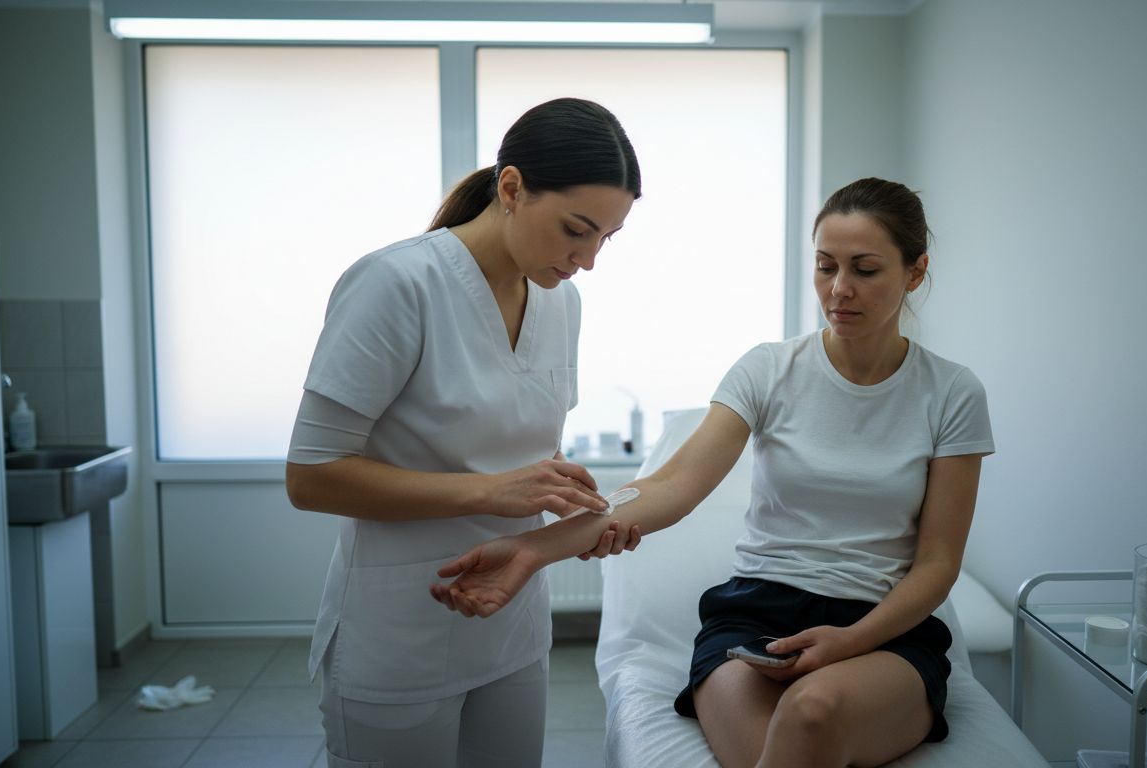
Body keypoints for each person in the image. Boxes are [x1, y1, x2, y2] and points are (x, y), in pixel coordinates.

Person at [431, 177, 995, 768]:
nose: (839, 290)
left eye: (866, 269)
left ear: (915, 271)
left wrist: (849, 643)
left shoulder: (950, 393)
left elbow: (937, 563)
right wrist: (531, 550)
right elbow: (673, 487)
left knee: (810, 713)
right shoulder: (770, 369)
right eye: (826, 266)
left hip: (880, 630)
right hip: (757, 617)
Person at [285, 97, 645, 768]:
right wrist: (489, 492)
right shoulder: (396, 285)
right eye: (577, 229)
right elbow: (310, 477)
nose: (589, 259)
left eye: (606, 238)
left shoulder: (560, 300)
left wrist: (571, 514)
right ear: (511, 188)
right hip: (400, 634)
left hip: (510, 626)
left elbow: (521, 446)